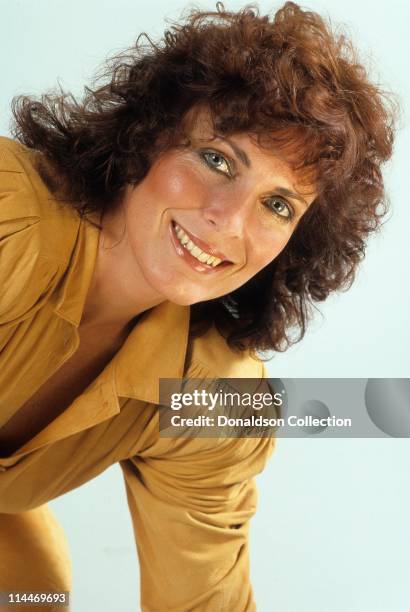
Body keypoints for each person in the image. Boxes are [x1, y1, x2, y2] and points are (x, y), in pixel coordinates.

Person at [0, 2, 395, 610]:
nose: (228, 221)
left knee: (32, 589)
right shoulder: (11, 219)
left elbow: (203, 601)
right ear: (147, 137)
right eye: (217, 160)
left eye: (278, 205)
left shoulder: (212, 396)